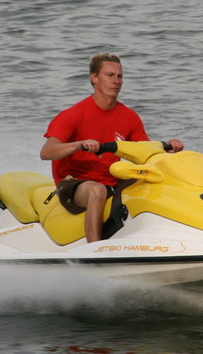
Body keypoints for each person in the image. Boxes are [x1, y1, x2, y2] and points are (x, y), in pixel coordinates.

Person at [40, 53, 184, 242]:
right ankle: (94, 250)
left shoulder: (129, 117)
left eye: (120, 76)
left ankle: (169, 238)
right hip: (73, 184)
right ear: (94, 78)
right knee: (96, 190)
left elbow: (145, 154)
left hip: (112, 181)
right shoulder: (73, 115)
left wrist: (168, 150)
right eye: (110, 75)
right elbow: (46, 152)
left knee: (156, 179)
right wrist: (79, 145)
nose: (116, 81)